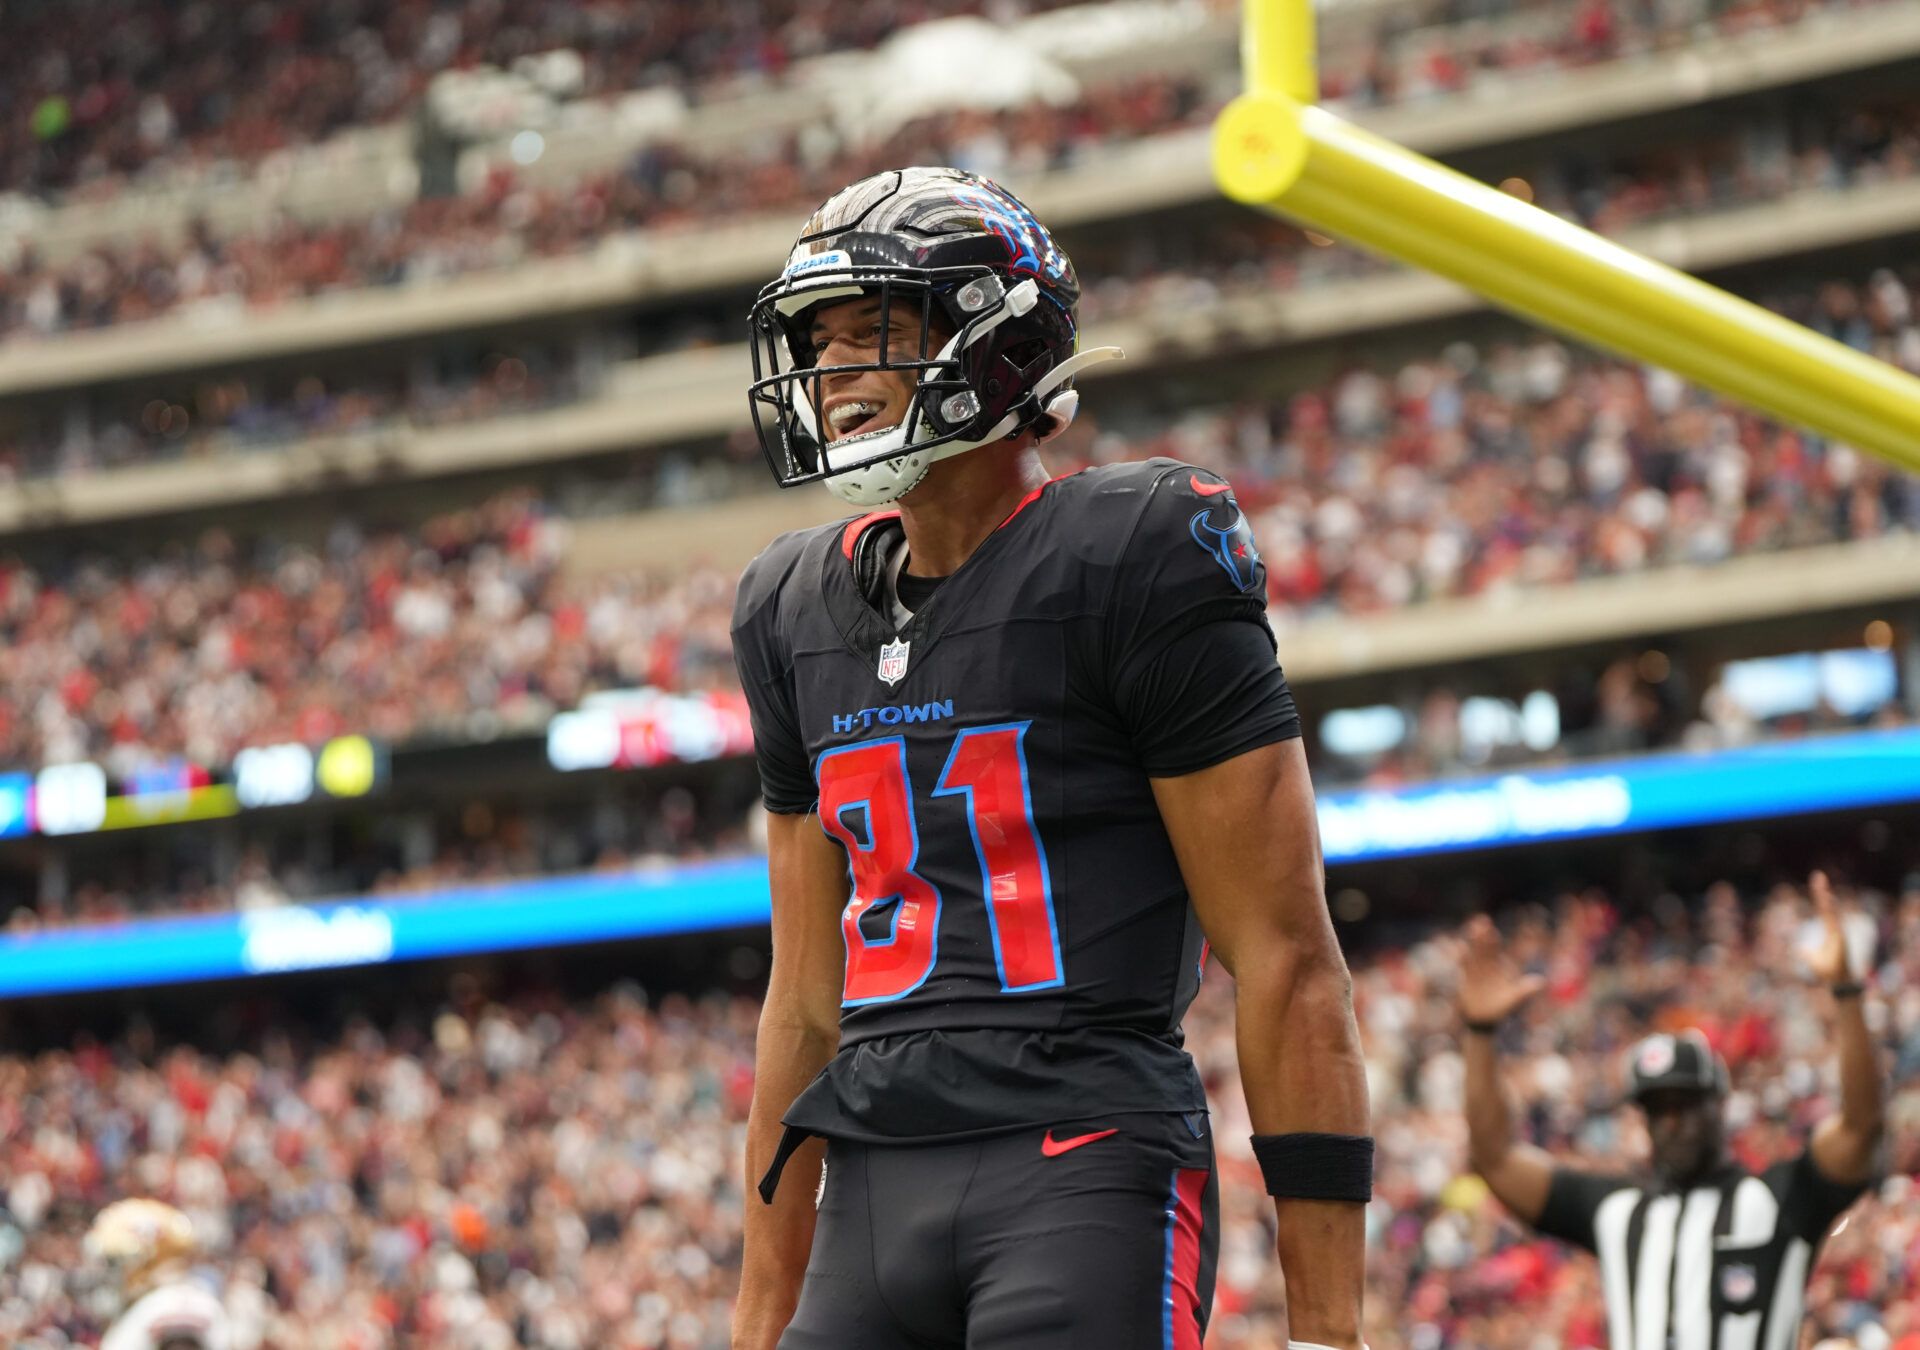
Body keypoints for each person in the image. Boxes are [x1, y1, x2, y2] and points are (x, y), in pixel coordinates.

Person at [729, 166, 1372, 1349]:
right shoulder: (788, 605)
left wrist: (1329, 1332)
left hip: (1080, 1164)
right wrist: (760, 1314)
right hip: (870, 1185)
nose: (831, 377)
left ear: (994, 337)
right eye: (816, 342)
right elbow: (805, 1009)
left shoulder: (1134, 550)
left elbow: (1286, 957)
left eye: (870, 329)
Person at [1458, 871, 1885, 1349]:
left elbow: (1860, 1128)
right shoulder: (1617, 1209)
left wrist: (1848, 995)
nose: (1672, 1123)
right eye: (1658, 1110)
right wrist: (1479, 1034)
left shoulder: (1780, 1199)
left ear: (1719, 1106)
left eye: (1686, 1104)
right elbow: (1493, 1158)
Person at [85, 1199, 230, 1350]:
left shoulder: (172, 1306)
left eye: (115, 1263)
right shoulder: (150, 1305)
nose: (111, 1273)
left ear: (147, 1260)